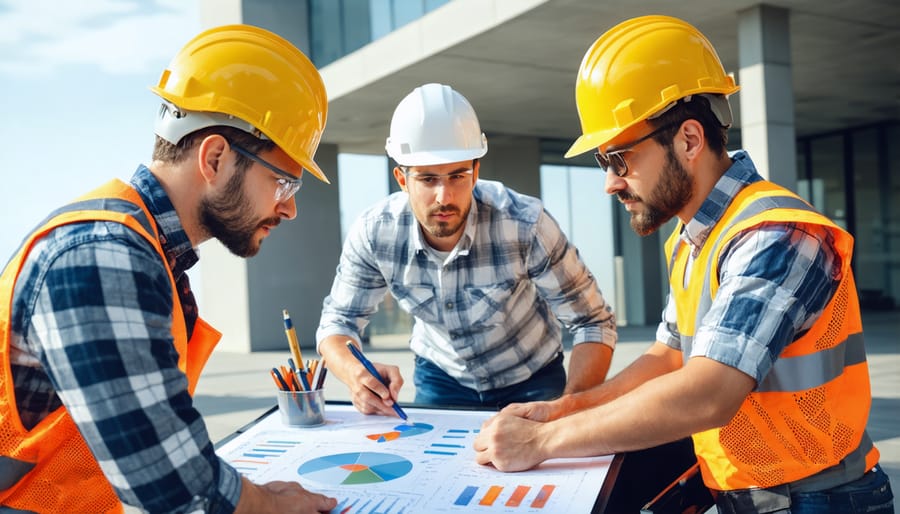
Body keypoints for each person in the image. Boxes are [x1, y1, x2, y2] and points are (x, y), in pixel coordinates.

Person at [473, 15, 894, 514]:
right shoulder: (694, 240)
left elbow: (708, 392)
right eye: (603, 163)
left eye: (619, 159)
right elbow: (668, 359)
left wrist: (544, 443)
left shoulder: (775, 237)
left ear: (689, 140)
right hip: (753, 495)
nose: (609, 183)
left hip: (820, 499)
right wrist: (565, 408)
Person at [0, 25, 337, 513]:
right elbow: (169, 484)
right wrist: (262, 504)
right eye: (283, 183)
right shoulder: (103, 254)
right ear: (216, 157)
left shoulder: (147, 251)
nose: (289, 209)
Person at [316, 83, 616, 416]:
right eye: (428, 179)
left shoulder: (525, 223)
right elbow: (338, 322)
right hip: (442, 378)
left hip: (533, 377)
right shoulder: (375, 233)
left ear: (475, 172)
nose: (444, 196)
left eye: (457, 175)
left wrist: (569, 407)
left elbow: (593, 321)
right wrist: (355, 375)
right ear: (402, 180)